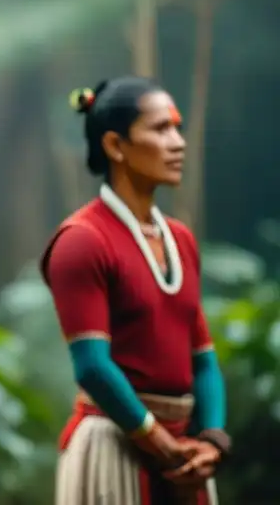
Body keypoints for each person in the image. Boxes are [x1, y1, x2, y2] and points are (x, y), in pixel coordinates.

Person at [41, 77, 229, 505]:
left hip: (184, 450)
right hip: (114, 445)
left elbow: (202, 359)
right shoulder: (82, 240)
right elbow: (91, 366)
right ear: (115, 145)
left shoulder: (180, 240)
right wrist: (158, 442)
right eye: (160, 129)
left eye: (177, 128)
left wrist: (213, 440)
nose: (178, 142)